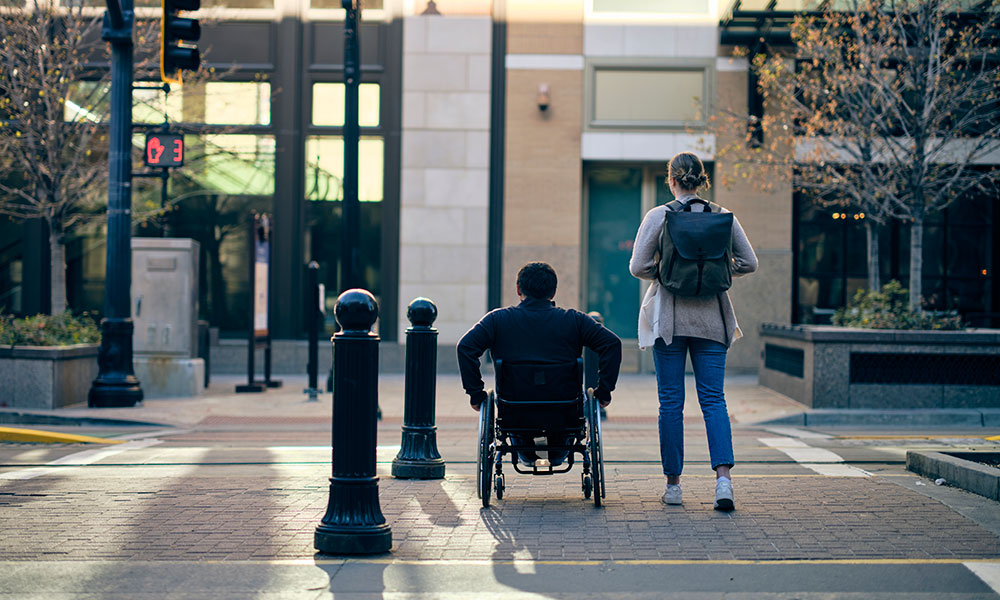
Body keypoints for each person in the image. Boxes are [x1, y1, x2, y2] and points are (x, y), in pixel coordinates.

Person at [628, 152, 758, 511]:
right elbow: (750, 262)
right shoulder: (722, 217)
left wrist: (669, 274)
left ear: (671, 180)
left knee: (671, 403)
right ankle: (723, 483)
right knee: (714, 401)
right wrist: (719, 271)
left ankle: (673, 487)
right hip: (713, 321)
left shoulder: (659, 215)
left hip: (669, 321)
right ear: (703, 180)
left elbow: (637, 265)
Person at [457, 262, 622, 467]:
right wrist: (604, 391)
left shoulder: (498, 320)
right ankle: (554, 450)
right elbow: (612, 344)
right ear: (553, 292)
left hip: (515, 413)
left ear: (518, 290)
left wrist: (476, 393)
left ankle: (529, 452)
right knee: (576, 407)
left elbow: (465, 347)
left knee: (517, 414)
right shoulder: (574, 320)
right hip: (565, 412)